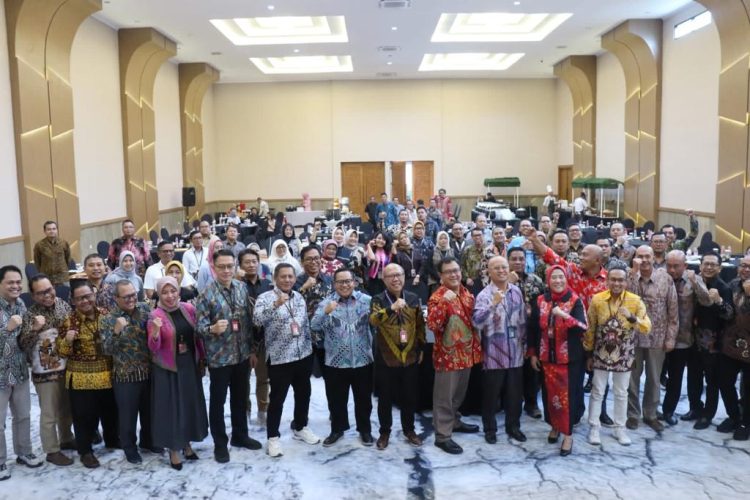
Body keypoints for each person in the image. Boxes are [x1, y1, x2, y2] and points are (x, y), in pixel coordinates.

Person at [195, 249, 261, 463]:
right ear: (213, 268)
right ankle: (220, 443)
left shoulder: (242, 288)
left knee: (240, 399)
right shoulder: (206, 294)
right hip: (220, 358)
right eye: (221, 266)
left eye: (230, 266)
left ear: (235, 267)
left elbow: (247, 323)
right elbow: (198, 328)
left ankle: (240, 436)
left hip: (242, 355)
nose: (226, 270)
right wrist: (212, 329)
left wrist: (252, 350)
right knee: (218, 403)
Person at [254, 263, 321, 457]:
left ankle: (300, 427)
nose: (287, 280)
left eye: (290, 276)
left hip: (303, 355)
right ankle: (273, 437)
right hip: (280, 358)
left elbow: (304, 323)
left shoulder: (298, 296)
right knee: (277, 399)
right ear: (275, 278)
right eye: (283, 276)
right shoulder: (265, 298)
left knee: (304, 394)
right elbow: (257, 320)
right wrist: (275, 305)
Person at [584, 264, 651, 446]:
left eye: (621, 280)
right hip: (600, 352)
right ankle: (594, 427)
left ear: (626, 281)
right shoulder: (597, 299)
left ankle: (619, 428)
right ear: (607, 281)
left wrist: (632, 318)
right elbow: (590, 328)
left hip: (624, 353)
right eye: (613, 279)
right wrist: (588, 353)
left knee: (621, 392)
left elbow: (646, 327)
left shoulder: (635, 301)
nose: (616, 283)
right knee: (597, 391)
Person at [147, 277, 208, 470]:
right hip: (168, 368)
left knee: (189, 405)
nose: (170, 296)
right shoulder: (155, 315)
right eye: (164, 292)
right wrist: (155, 332)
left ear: (178, 291)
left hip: (188, 364)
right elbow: (153, 348)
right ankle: (174, 449)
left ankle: (187, 444)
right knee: (172, 409)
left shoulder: (188, 309)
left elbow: (197, 336)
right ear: (159, 294)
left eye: (173, 291)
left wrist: (202, 358)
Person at [527, 265, 587, 456]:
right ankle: (554, 426)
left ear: (566, 279)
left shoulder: (574, 300)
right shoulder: (540, 300)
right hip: (547, 358)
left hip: (570, 359)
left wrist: (564, 316)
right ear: (548, 280)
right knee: (550, 395)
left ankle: (568, 434)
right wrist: (533, 353)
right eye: (554, 277)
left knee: (568, 397)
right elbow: (533, 329)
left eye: (561, 277)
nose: (558, 281)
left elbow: (582, 327)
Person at [58, 282, 118, 469]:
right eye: (79, 298)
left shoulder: (107, 315)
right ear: (74, 301)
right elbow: (61, 352)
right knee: (84, 417)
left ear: (94, 294)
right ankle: (85, 452)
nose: (84, 301)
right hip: (81, 378)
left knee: (110, 412)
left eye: (87, 296)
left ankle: (112, 440)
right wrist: (68, 341)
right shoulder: (69, 321)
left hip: (107, 374)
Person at [311, 269, 374, 446]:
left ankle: (365, 430)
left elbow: (378, 321)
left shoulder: (366, 301)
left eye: (348, 281)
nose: (345, 285)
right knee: (336, 400)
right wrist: (325, 312)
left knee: (364, 399)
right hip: (336, 361)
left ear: (354, 282)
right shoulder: (326, 303)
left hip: (363, 359)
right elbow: (314, 326)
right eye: (340, 282)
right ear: (334, 284)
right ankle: (337, 430)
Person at [428, 257, 482, 454]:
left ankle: (455, 422)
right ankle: (442, 436)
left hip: (467, 353)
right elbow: (432, 324)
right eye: (448, 271)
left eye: (456, 270)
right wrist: (444, 302)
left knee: (458, 395)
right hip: (448, 356)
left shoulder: (467, 294)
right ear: (441, 276)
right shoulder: (437, 297)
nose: (454, 274)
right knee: (444, 398)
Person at [18, 275, 74, 466]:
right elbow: (23, 345)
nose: (47, 295)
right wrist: (35, 329)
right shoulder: (30, 314)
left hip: (66, 365)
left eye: (49, 289)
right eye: (41, 293)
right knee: (49, 413)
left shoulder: (63, 304)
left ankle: (66, 438)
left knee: (66, 408)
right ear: (33, 295)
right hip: (44, 371)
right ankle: (51, 450)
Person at [369, 263, 426, 450]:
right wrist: (391, 308)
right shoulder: (378, 299)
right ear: (384, 279)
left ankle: (409, 430)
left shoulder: (413, 298)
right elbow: (373, 320)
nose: (395, 279)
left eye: (399, 275)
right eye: (390, 276)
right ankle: (384, 432)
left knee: (409, 396)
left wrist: (421, 348)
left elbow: (420, 325)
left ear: (404, 277)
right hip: (386, 357)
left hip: (410, 356)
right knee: (385, 398)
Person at [472, 256, 527, 444]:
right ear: (489, 272)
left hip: (516, 353)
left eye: (504, 267)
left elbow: (522, 321)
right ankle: (490, 429)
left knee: (514, 396)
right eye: (497, 268)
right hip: (494, 355)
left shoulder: (516, 291)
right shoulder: (484, 295)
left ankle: (513, 427)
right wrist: (493, 303)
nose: (502, 271)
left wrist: (525, 344)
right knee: (491, 396)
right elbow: (477, 323)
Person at [100, 280, 155, 464]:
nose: (131, 299)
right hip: (125, 376)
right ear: (116, 298)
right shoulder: (108, 319)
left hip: (147, 372)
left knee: (149, 412)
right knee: (127, 417)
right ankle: (130, 448)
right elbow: (107, 349)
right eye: (126, 297)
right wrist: (116, 332)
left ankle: (148, 441)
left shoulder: (145, 310)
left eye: (133, 294)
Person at [625, 246, 678, 433]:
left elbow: (673, 310)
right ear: (635, 258)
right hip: (632, 337)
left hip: (657, 337)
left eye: (648, 256)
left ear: (654, 258)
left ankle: (651, 414)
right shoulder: (628, 276)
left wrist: (671, 337)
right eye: (640, 256)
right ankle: (632, 415)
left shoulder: (665, 279)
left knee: (654, 379)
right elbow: (622, 298)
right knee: (632, 379)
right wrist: (633, 272)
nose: (644, 260)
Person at [0, 265, 43, 480]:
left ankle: (24, 452)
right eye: (11, 282)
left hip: (19, 370)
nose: (16, 286)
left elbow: (24, 339)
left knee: (23, 415)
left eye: (18, 282)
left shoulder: (21, 305)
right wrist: (6, 329)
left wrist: (34, 330)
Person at [661, 251, 711, 426]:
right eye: (669, 266)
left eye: (676, 266)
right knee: (674, 377)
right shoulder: (662, 279)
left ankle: (695, 408)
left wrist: (696, 282)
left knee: (695, 377)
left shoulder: (693, 280)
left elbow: (707, 301)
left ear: (685, 266)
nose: (672, 270)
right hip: (672, 338)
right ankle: (668, 410)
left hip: (692, 336)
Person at [691, 252, 735, 430]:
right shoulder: (695, 283)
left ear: (719, 268)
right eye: (706, 264)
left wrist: (719, 301)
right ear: (700, 266)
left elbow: (729, 315)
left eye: (713, 265)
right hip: (693, 338)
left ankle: (707, 414)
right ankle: (695, 408)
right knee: (694, 377)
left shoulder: (724, 288)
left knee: (712, 381)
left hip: (713, 343)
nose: (709, 267)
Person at [506, 247, 545, 418]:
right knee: (512, 372)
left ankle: (531, 403)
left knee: (532, 369)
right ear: (508, 261)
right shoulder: (502, 280)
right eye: (514, 259)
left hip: (531, 331)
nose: (518, 262)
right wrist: (508, 283)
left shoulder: (535, 280)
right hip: (509, 332)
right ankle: (511, 404)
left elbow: (544, 302)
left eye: (521, 259)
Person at [236, 249, 272, 425]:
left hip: (263, 339)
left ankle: (263, 411)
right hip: (242, 339)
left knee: (263, 378)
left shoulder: (268, 285)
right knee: (242, 380)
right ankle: (245, 411)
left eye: (254, 261)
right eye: (247, 262)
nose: (251, 265)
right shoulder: (236, 286)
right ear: (240, 265)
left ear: (259, 263)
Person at [718, 256, 750, 440]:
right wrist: (720, 303)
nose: (746, 269)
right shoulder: (733, 285)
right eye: (743, 266)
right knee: (724, 382)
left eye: (749, 267)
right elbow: (727, 314)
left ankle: (746, 422)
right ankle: (734, 416)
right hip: (731, 344)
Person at [33, 221, 71, 286]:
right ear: (45, 231)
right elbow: (37, 261)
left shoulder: (64, 243)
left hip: (62, 277)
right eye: (49, 229)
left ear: (57, 230)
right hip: (47, 277)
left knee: (65, 291)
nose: (52, 231)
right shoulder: (39, 245)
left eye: (54, 229)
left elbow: (68, 258)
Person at [393, 231, 423, 296]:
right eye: (401, 238)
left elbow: (422, 265)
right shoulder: (398, 253)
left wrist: (418, 276)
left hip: (418, 279)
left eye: (405, 237)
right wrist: (394, 247)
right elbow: (396, 265)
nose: (404, 239)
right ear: (399, 241)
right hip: (405, 281)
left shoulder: (416, 250)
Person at [461, 228, 488, 296]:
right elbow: (462, 265)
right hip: (472, 281)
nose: (477, 237)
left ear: (483, 235)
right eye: (475, 235)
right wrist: (467, 278)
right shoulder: (467, 250)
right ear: (472, 237)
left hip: (486, 281)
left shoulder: (489, 249)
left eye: (479, 235)